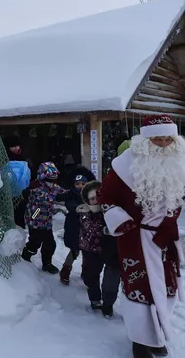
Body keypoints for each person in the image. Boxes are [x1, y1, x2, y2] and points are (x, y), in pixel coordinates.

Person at [97, 115, 185, 358]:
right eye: (159, 140)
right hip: (136, 238)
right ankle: (139, 340)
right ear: (145, 141)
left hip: (167, 238)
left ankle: (156, 335)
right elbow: (104, 197)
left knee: (167, 288)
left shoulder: (180, 163)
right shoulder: (122, 167)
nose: (165, 145)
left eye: (169, 139)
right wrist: (119, 219)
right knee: (139, 290)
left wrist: (173, 224)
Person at [77, 181, 120, 318]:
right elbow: (92, 227)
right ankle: (95, 298)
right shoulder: (85, 212)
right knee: (92, 275)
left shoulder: (106, 210)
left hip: (105, 249)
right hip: (89, 249)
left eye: (98, 197)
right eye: (92, 198)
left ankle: (107, 302)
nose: (96, 201)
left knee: (108, 275)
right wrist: (107, 230)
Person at [21, 162, 65, 274]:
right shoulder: (35, 188)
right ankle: (25, 257)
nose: (52, 183)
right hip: (35, 218)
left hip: (47, 221)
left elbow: (62, 192)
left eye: (54, 180)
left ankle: (47, 263)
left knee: (50, 244)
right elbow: (44, 199)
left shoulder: (54, 188)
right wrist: (57, 197)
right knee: (34, 243)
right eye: (49, 180)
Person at [57, 173, 88, 285]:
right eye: (77, 184)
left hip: (88, 228)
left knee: (88, 251)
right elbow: (71, 206)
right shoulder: (71, 195)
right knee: (75, 250)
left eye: (83, 184)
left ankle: (86, 272)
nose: (80, 186)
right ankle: (66, 270)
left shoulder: (89, 195)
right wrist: (79, 208)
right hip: (74, 227)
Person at [4, 135, 32, 228]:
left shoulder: (23, 159)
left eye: (18, 146)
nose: (17, 148)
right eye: (13, 146)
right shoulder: (4, 160)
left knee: (20, 215)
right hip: (8, 194)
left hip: (22, 194)